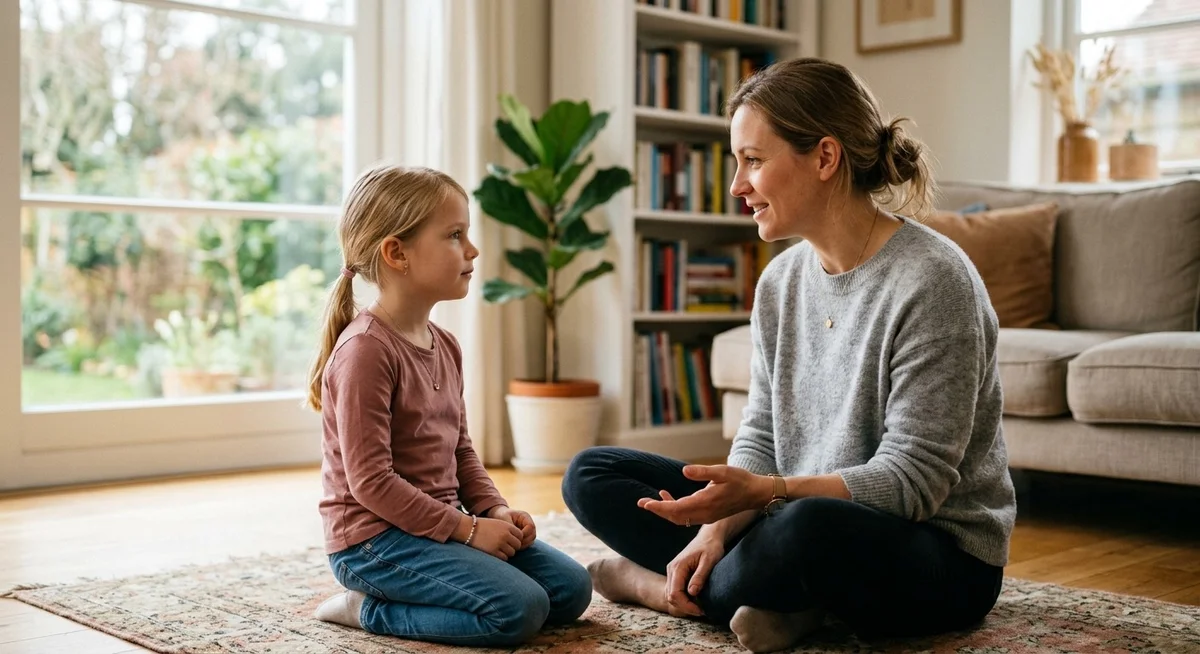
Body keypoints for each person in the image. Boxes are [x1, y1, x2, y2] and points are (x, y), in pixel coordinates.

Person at [562, 57, 1016, 653]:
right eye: (737, 162)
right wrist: (716, 531)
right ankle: (781, 602)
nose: (736, 186)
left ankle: (654, 587)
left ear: (825, 158)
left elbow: (913, 485)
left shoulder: (933, 280)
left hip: (932, 552)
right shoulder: (781, 282)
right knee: (592, 474)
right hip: (786, 510)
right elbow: (762, 431)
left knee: (804, 533)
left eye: (753, 160)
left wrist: (766, 494)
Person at [307, 164, 592, 647]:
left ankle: (435, 584)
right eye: (455, 235)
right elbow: (370, 483)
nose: (473, 249)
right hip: (372, 542)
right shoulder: (365, 352)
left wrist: (493, 510)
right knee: (518, 611)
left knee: (570, 590)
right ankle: (370, 608)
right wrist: (466, 529)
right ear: (396, 253)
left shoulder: (446, 344)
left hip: (434, 526)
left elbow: (460, 450)